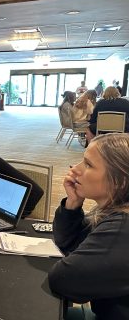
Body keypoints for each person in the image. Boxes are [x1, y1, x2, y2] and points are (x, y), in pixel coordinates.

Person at [48, 133, 129, 320]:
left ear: (120, 181)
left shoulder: (122, 229)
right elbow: (68, 242)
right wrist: (73, 203)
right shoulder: (114, 211)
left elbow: (64, 280)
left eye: (88, 164)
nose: (75, 169)